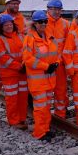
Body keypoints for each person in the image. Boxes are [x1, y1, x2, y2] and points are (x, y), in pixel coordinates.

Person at [0, 0, 26, 116]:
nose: (15, 5)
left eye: (17, 3)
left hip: (17, 56)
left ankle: (23, 109)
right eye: (12, 3)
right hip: (0, 56)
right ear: (7, 5)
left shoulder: (21, 18)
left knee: (20, 86)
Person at [23, 10, 59, 141]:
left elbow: (56, 53)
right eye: (40, 22)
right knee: (40, 108)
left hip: (49, 80)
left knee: (47, 106)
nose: (43, 24)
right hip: (38, 82)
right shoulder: (30, 38)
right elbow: (28, 59)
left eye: (45, 21)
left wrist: (56, 63)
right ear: (34, 24)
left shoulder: (50, 37)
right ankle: (39, 133)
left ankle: (46, 129)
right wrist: (46, 67)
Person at [0, 14, 28, 130]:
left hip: (22, 73)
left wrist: (25, 64)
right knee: (12, 98)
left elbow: (27, 51)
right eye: (6, 25)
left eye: (10, 24)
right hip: (10, 75)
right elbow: (4, 59)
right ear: (1, 27)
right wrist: (20, 66)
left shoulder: (21, 36)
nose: (9, 26)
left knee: (23, 97)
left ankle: (22, 118)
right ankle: (13, 121)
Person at [45, 0, 71, 118]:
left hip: (60, 64)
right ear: (48, 9)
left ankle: (60, 114)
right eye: (53, 9)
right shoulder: (42, 22)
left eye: (58, 9)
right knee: (46, 90)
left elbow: (69, 44)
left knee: (61, 89)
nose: (55, 11)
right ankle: (44, 114)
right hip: (47, 64)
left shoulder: (66, 24)